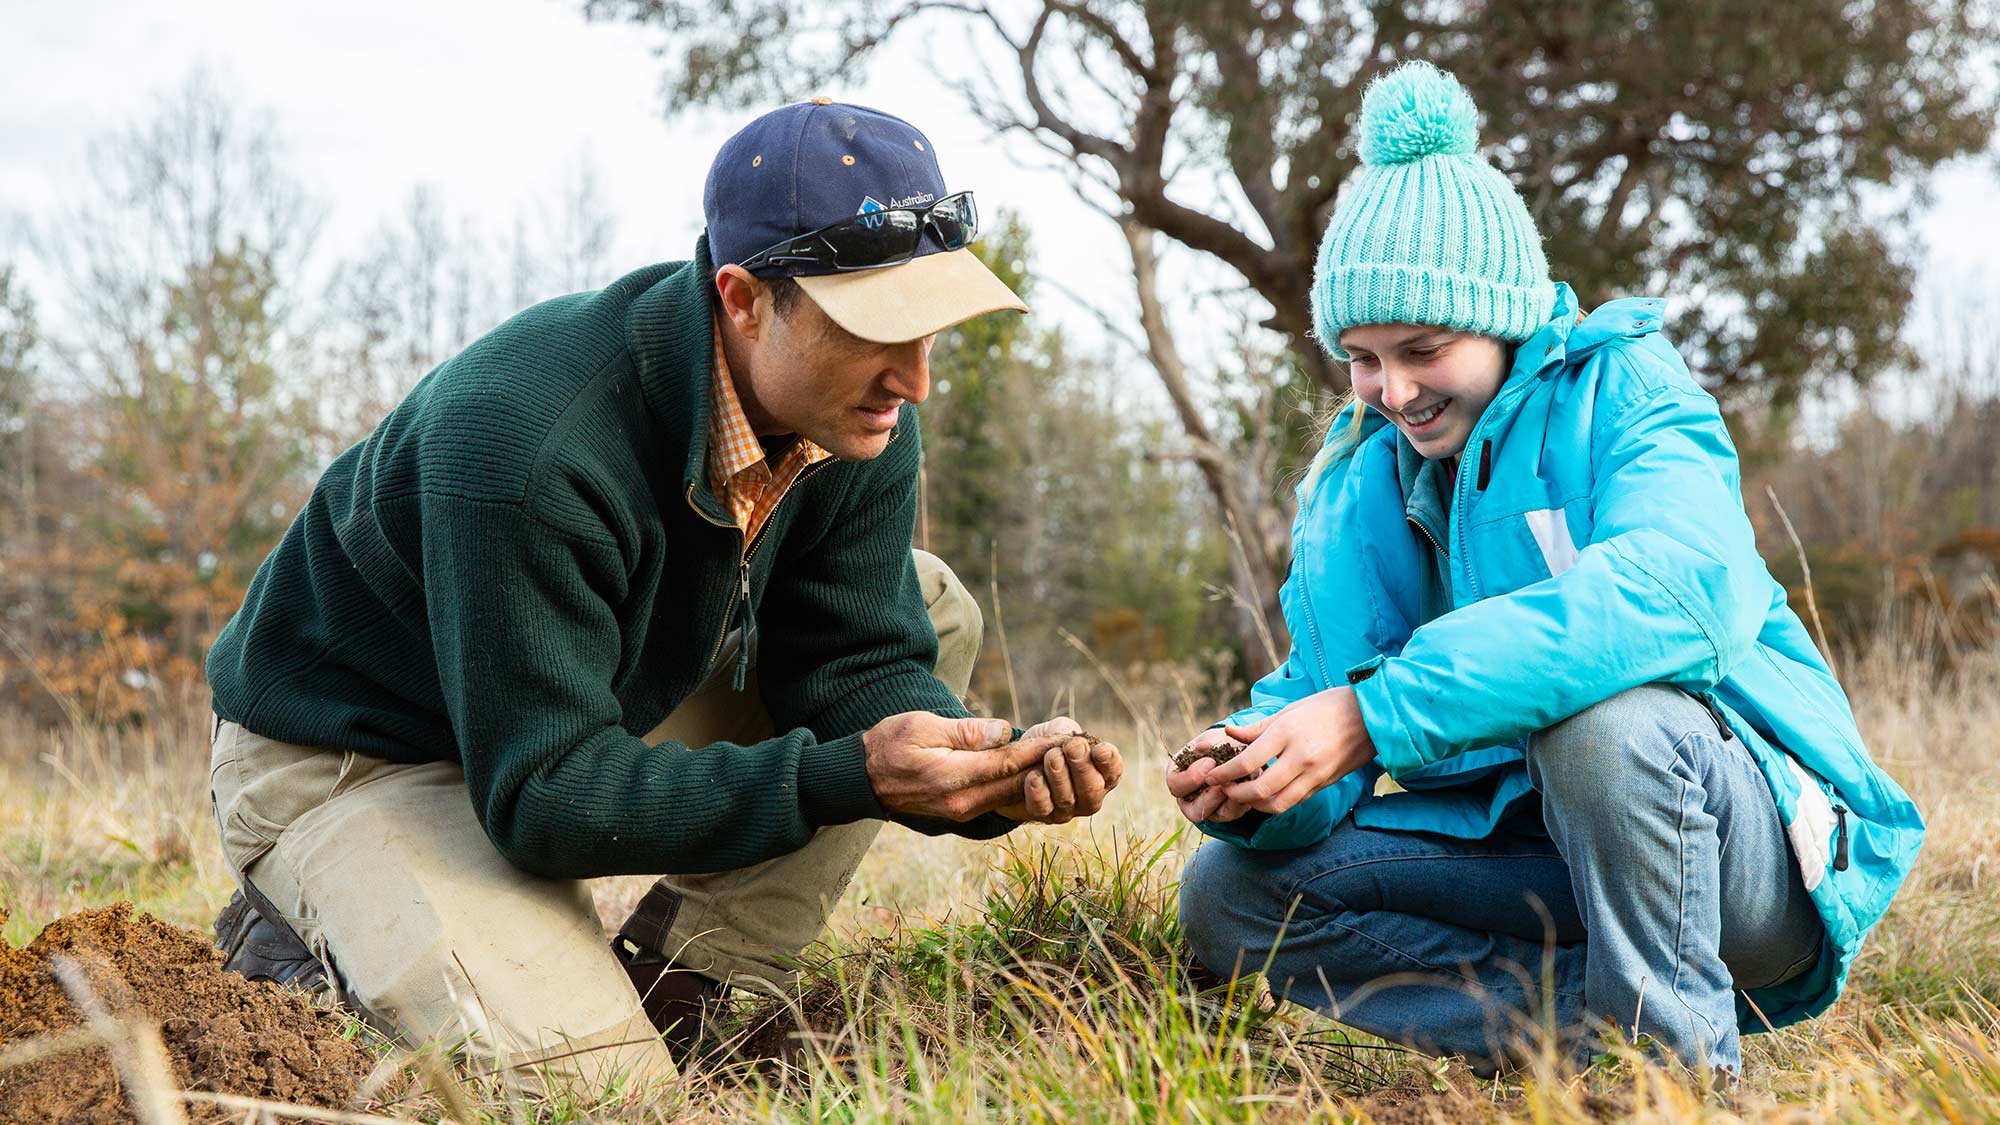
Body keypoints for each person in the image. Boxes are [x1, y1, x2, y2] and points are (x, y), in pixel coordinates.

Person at [204, 98, 1124, 1088]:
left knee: (927, 602)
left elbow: (854, 657)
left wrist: (979, 781)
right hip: (361, 755)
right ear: (742, 299)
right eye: (877, 330)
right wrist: (848, 774)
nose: (915, 378)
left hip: (566, 707)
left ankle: (687, 982)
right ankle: (309, 932)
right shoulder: (526, 441)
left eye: (931, 326)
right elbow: (546, 796)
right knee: (590, 1090)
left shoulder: (857, 409)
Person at [1168, 62, 1921, 1075]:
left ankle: (1679, 1082)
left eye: (1421, 348)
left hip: (1741, 852)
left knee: (1601, 726)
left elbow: (1675, 590)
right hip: (1532, 857)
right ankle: (1591, 1041)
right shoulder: (1359, 486)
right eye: (1359, 356)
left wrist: (1376, 718)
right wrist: (1260, 773)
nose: (1390, 391)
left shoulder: (1626, 388)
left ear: (1499, 318)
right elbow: (1327, 694)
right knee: (1228, 891)